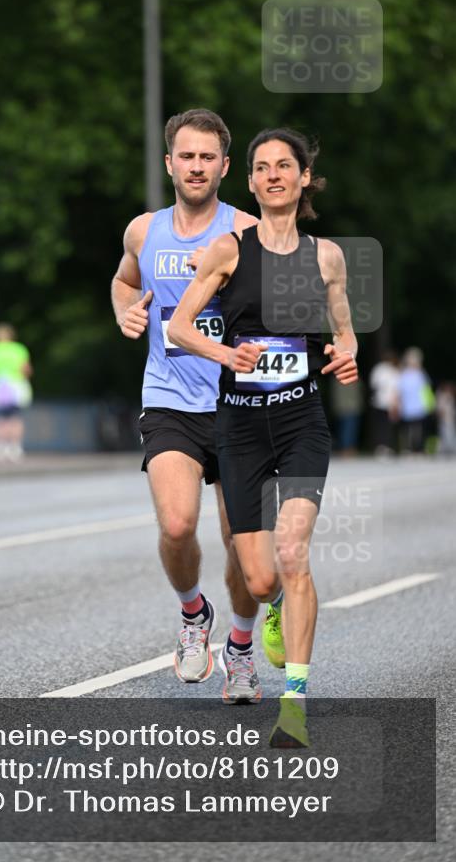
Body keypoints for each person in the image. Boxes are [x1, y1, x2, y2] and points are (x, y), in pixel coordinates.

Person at [168, 127, 358, 747]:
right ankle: (270, 610)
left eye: (285, 166)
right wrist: (228, 354)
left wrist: (346, 353)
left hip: (302, 423)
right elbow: (178, 327)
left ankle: (294, 706)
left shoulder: (326, 256)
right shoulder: (227, 249)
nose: (274, 174)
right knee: (257, 578)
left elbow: (345, 326)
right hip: (241, 429)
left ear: (304, 179)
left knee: (294, 553)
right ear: (248, 182)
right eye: (261, 167)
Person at [112, 108, 263, 704]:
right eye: (187, 155)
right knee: (177, 524)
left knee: (241, 543)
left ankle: (243, 649)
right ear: (169, 162)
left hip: (239, 404)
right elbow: (125, 280)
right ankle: (193, 613)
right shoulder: (143, 231)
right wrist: (125, 309)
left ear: (224, 167)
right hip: (169, 396)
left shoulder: (248, 232)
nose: (196, 166)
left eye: (208, 157)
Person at [0, 323, 33, 462]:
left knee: (0, 419)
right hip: (16, 386)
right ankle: (15, 447)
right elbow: (26, 370)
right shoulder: (19, 349)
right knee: (15, 418)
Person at [397, 347, 432, 454]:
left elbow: (426, 389)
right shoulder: (404, 374)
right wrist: (398, 403)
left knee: (419, 429)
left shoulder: (421, 374)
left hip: (419, 407)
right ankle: (408, 448)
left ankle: (418, 448)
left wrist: (428, 404)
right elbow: (399, 390)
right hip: (407, 407)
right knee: (408, 429)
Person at [368, 351, 399, 456]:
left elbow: (373, 384)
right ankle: (385, 446)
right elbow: (396, 389)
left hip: (378, 402)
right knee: (387, 426)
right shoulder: (393, 371)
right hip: (389, 403)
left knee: (379, 426)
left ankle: (380, 446)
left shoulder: (378, 369)